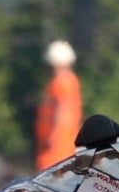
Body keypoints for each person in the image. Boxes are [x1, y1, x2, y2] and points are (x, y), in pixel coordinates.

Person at [33, 40, 82, 170]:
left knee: (48, 179)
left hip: (57, 147)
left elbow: (62, 110)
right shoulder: (68, 82)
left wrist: (52, 137)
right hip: (60, 144)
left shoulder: (62, 83)